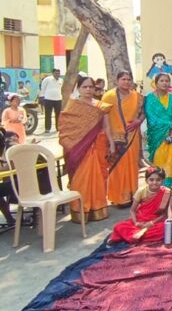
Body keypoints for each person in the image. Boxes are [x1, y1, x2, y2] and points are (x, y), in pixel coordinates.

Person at [58, 76, 115, 223]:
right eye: (85, 87)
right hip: (79, 149)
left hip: (99, 145)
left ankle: (98, 208)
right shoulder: (73, 106)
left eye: (91, 87)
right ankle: (80, 210)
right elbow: (65, 127)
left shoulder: (101, 106)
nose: (88, 90)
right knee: (81, 178)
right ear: (78, 89)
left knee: (99, 176)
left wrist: (111, 143)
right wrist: (74, 143)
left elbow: (106, 126)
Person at [102, 70, 143, 206]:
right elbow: (103, 119)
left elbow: (143, 113)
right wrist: (109, 140)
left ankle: (132, 195)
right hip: (115, 137)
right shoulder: (109, 97)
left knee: (132, 166)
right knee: (117, 167)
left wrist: (138, 121)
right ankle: (118, 197)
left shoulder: (136, 96)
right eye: (123, 79)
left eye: (129, 79)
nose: (126, 82)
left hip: (132, 136)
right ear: (117, 81)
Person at [108, 167, 171, 245]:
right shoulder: (141, 191)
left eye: (158, 180)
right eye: (151, 180)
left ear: (163, 180)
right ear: (146, 180)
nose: (154, 182)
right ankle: (137, 236)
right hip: (141, 219)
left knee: (164, 229)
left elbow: (164, 214)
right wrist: (136, 223)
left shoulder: (166, 192)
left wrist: (151, 223)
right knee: (119, 226)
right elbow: (132, 210)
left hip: (156, 220)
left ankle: (131, 236)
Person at [144, 74, 172, 186]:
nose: (164, 83)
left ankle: (171, 186)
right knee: (159, 158)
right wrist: (170, 124)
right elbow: (151, 117)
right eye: (162, 81)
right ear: (156, 83)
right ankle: (158, 185)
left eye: (166, 81)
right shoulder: (150, 98)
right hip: (157, 135)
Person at [40, 68, 63, 133]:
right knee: (48, 114)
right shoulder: (47, 79)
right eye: (56, 73)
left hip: (58, 99)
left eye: (58, 73)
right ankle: (47, 128)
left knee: (58, 114)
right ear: (53, 73)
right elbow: (43, 88)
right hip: (48, 99)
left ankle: (58, 128)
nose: (57, 74)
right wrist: (42, 96)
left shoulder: (61, 80)